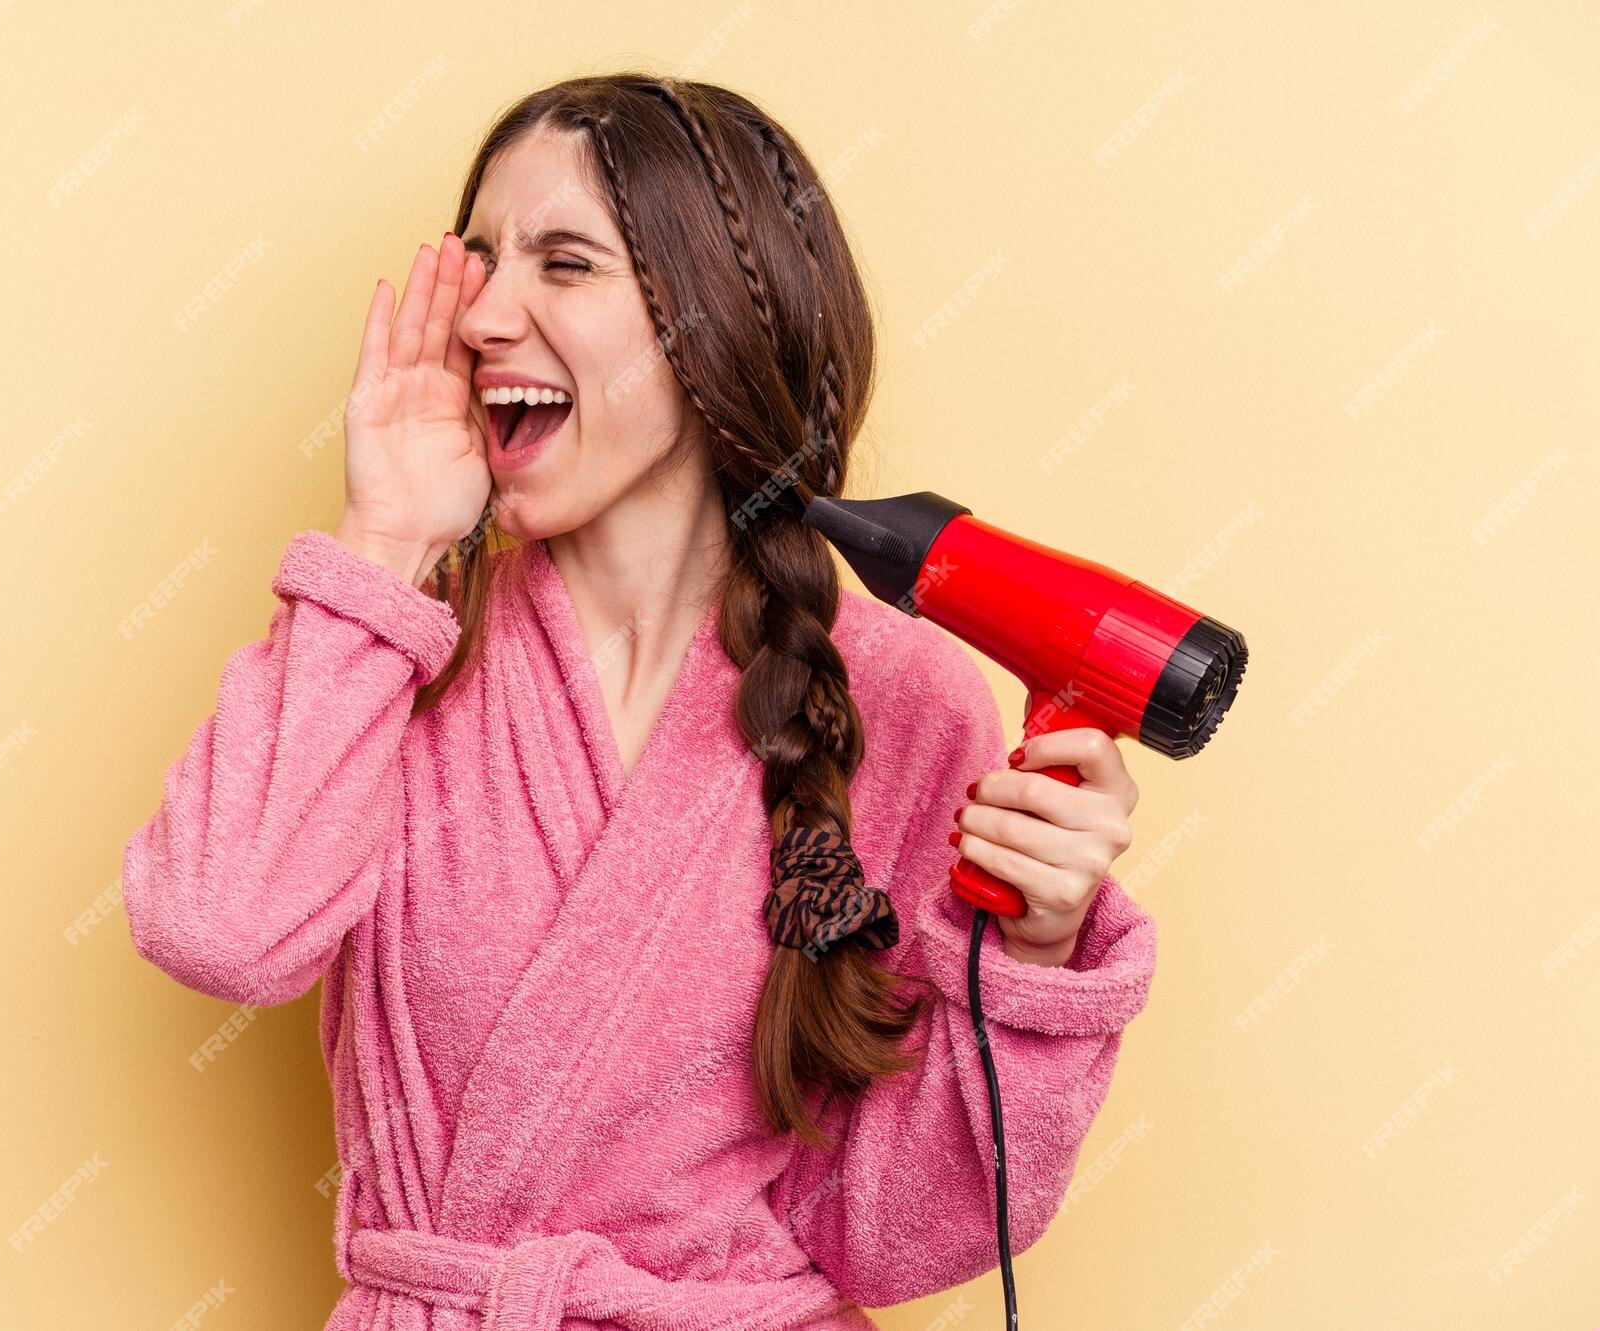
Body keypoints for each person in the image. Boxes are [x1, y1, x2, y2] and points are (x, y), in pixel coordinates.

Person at [122, 72, 1156, 1331]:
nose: (489, 314)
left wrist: (1033, 952)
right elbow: (219, 932)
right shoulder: (404, 646)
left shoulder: (898, 695)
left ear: (709, 320)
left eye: (562, 263)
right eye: (480, 260)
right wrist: (383, 541)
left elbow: (888, 1231)